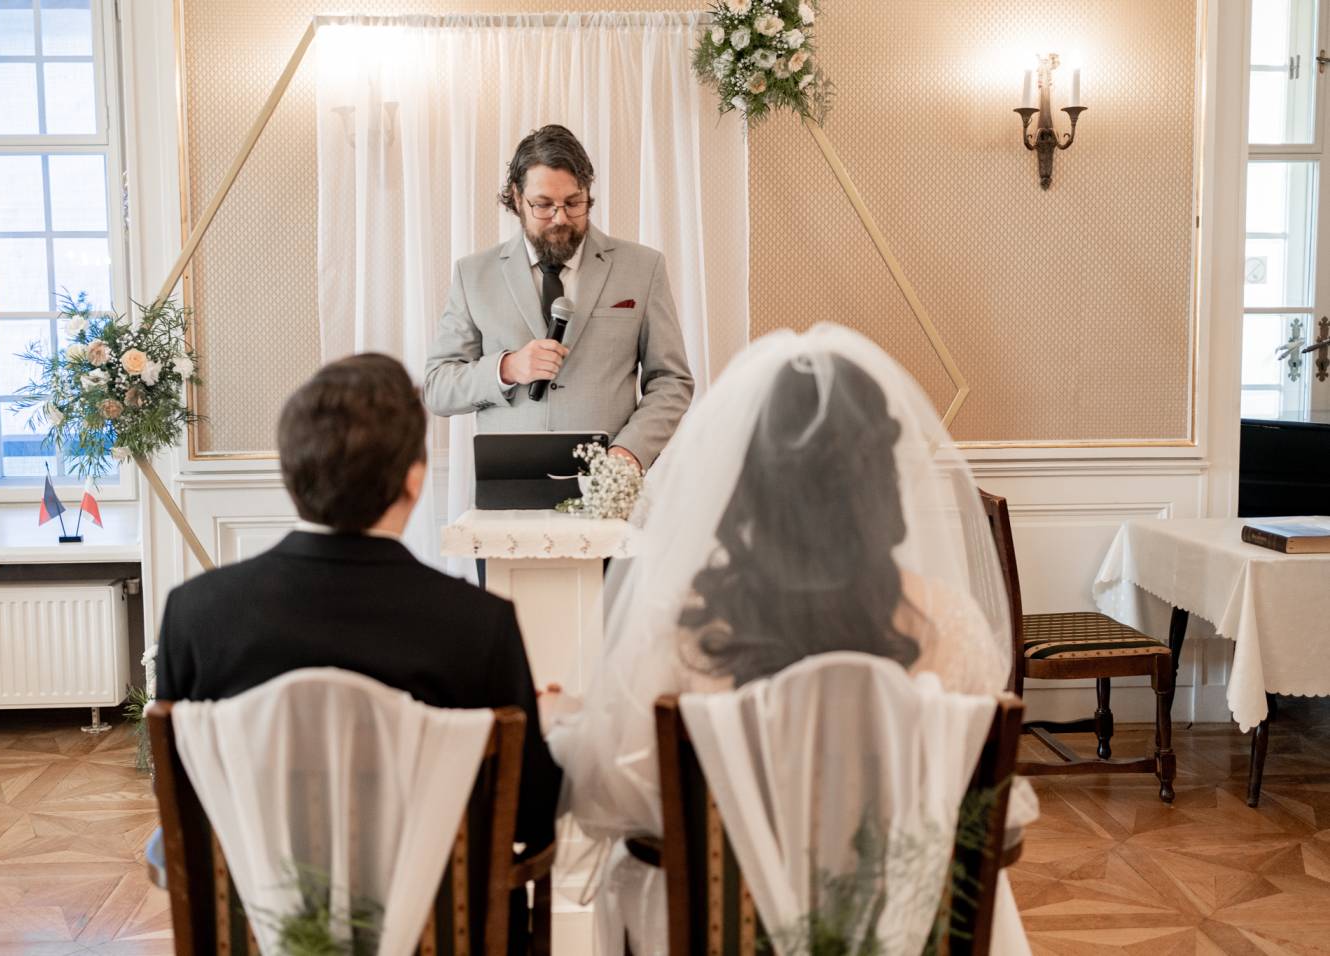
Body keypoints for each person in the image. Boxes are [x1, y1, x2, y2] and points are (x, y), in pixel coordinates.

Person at [543, 325, 1033, 954]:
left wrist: (569, 725)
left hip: (725, 934)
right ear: (881, 482)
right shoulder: (950, 626)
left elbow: (612, 803)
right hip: (894, 935)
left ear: (748, 484)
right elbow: (986, 812)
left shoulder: (683, 631)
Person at [156, 353, 561, 856]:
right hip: (434, 904)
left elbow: (183, 801)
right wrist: (547, 726)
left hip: (254, 905)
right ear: (414, 479)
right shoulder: (479, 624)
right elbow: (529, 814)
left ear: (290, 471)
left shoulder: (195, 614)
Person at [424, 124, 694, 473]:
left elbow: (671, 381)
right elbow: (438, 388)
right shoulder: (473, 274)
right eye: (543, 205)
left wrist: (630, 451)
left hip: (606, 484)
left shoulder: (643, 268)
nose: (561, 217)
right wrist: (507, 368)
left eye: (573, 203)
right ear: (517, 198)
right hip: (509, 484)